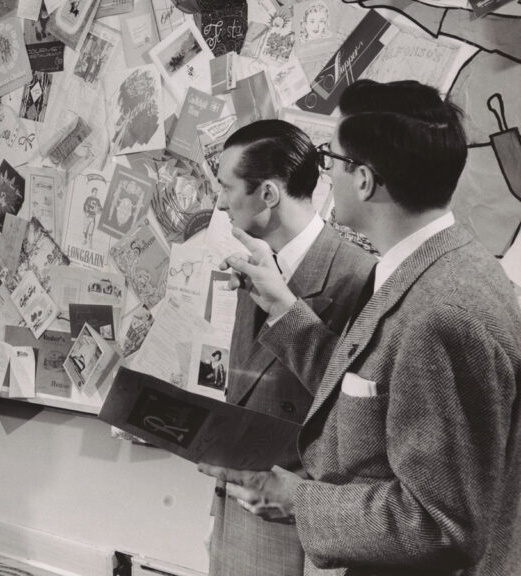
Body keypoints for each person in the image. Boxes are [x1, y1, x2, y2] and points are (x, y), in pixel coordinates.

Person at [203, 80, 521, 575]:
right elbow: (372, 392)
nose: (322, 168)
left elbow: (439, 523)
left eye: (331, 155)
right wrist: (286, 312)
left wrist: (298, 503)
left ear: (365, 181)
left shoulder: (442, 312)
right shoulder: (433, 269)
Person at [206, 119, 376, 576]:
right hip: (238, 504)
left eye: (226, 187)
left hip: (299, 527)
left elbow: (357, 420)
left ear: (268, 194)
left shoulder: (360, 276)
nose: (219, 203)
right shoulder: (260, 260)